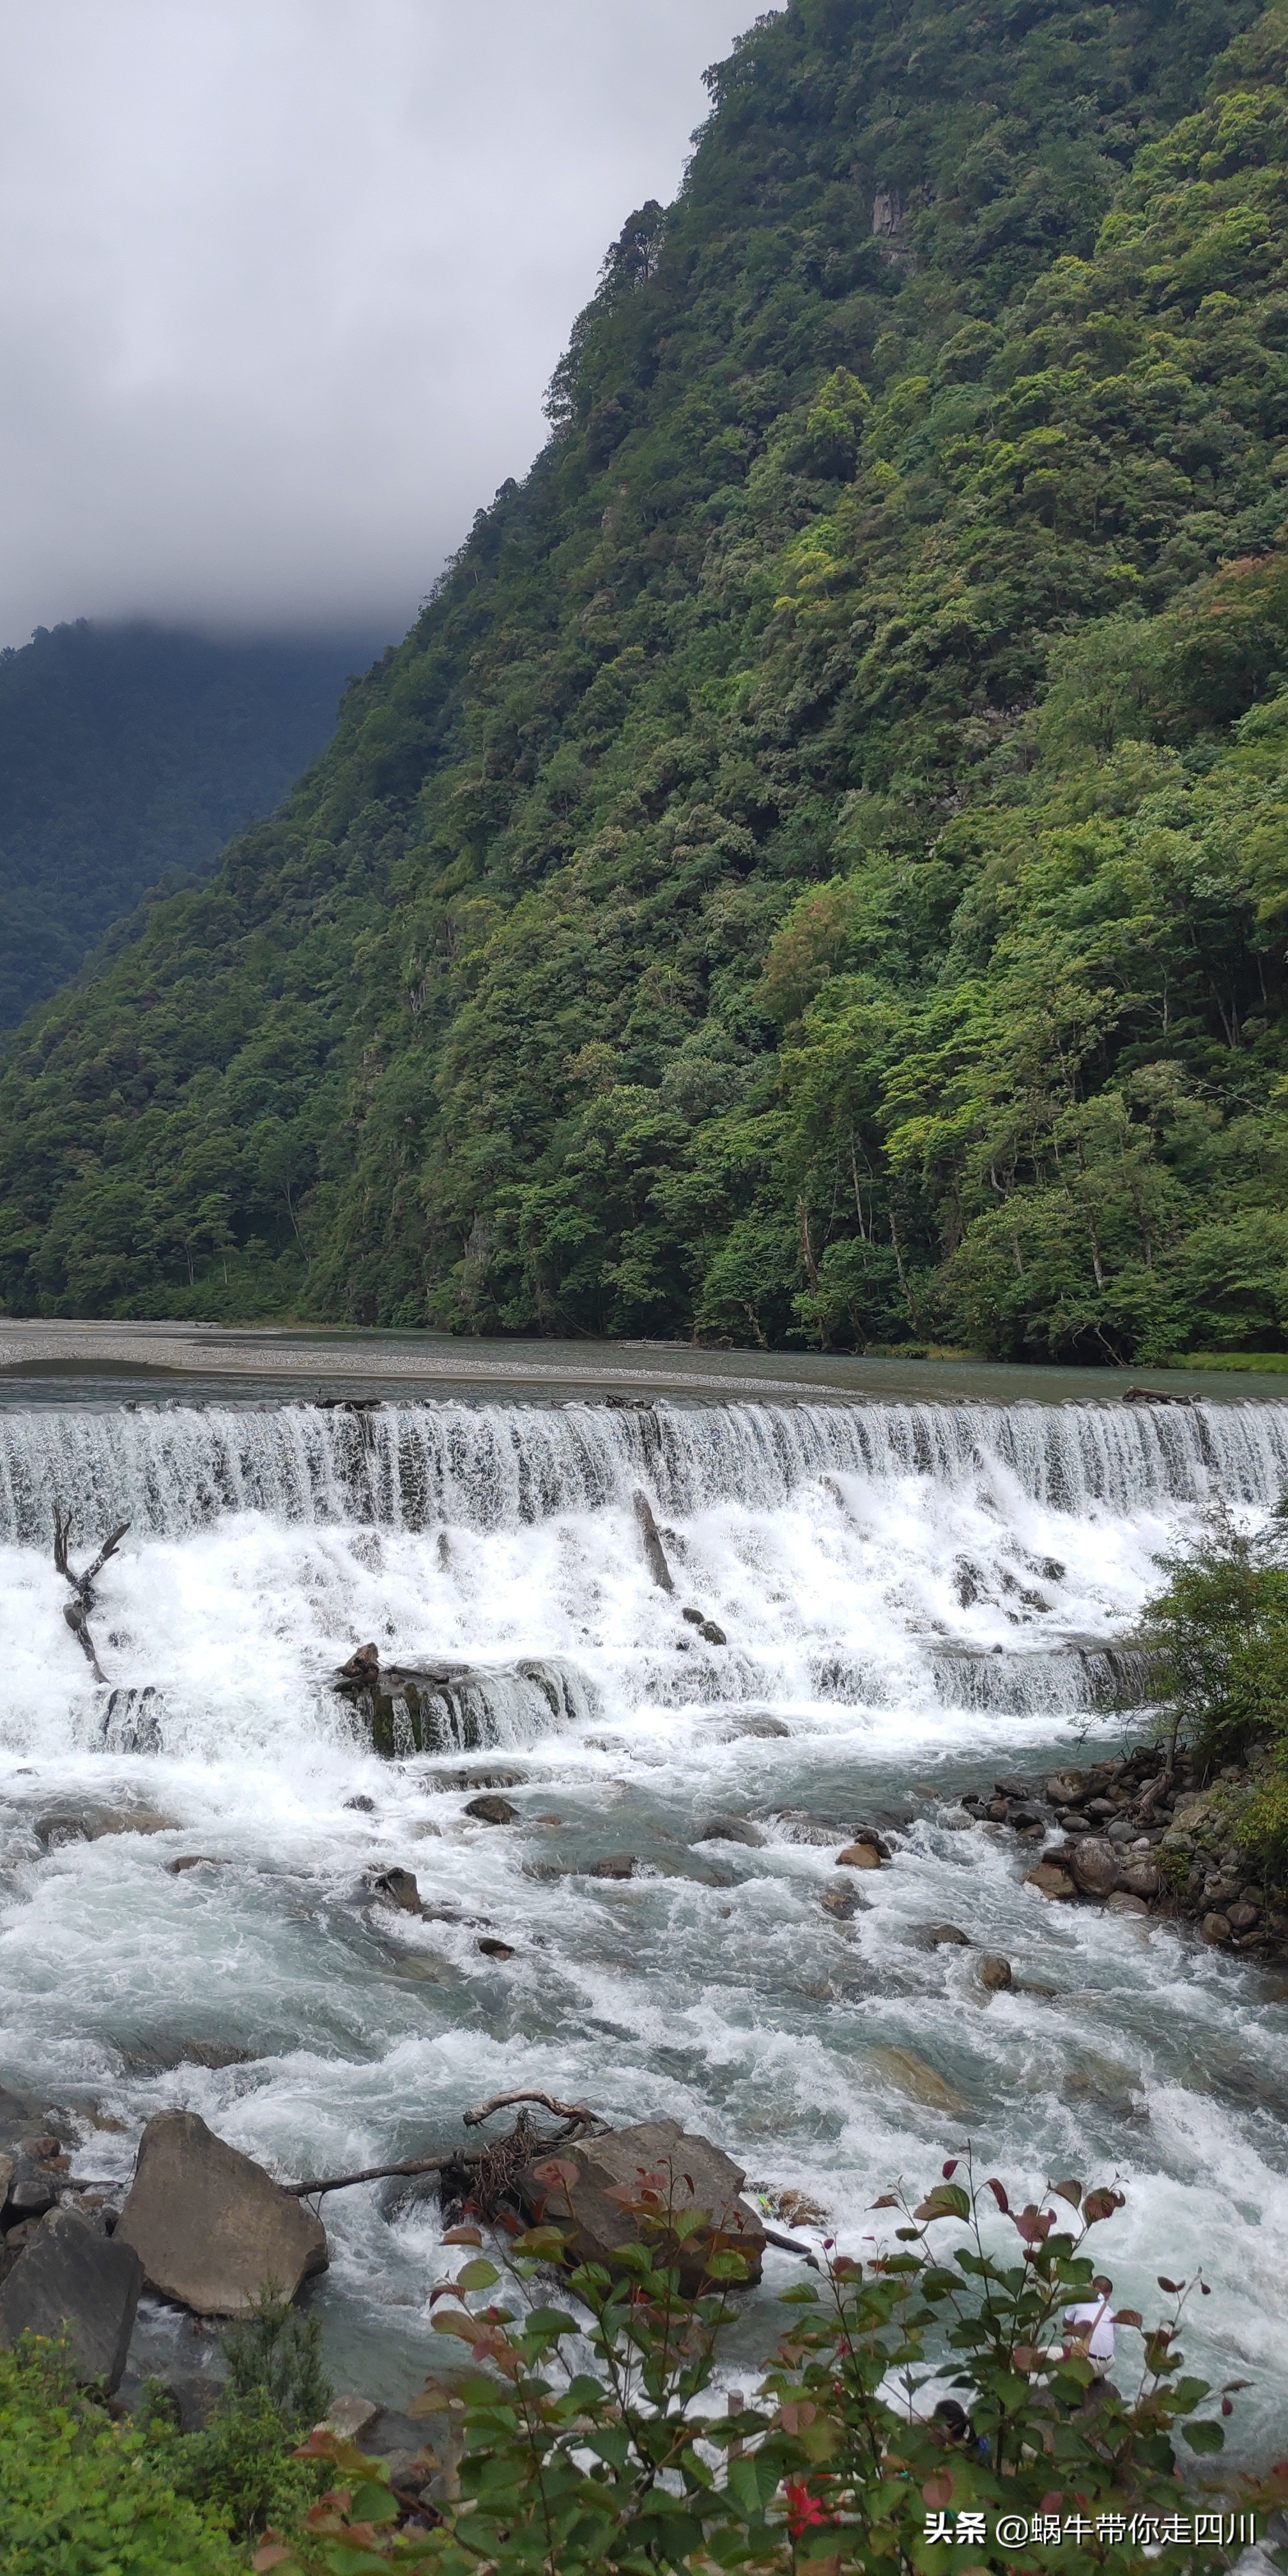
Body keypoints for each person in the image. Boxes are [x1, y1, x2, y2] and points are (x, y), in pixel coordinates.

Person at [1062, 2275, 1116, 2379]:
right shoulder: (1111, 2313)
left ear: (1091, 2286)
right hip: (1107, 2364)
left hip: (1087, 2365)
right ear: (1108, 2295)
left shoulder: (1080, 2300)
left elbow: (1065, 2323)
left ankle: (1061, 2383)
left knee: (1044, 2352)